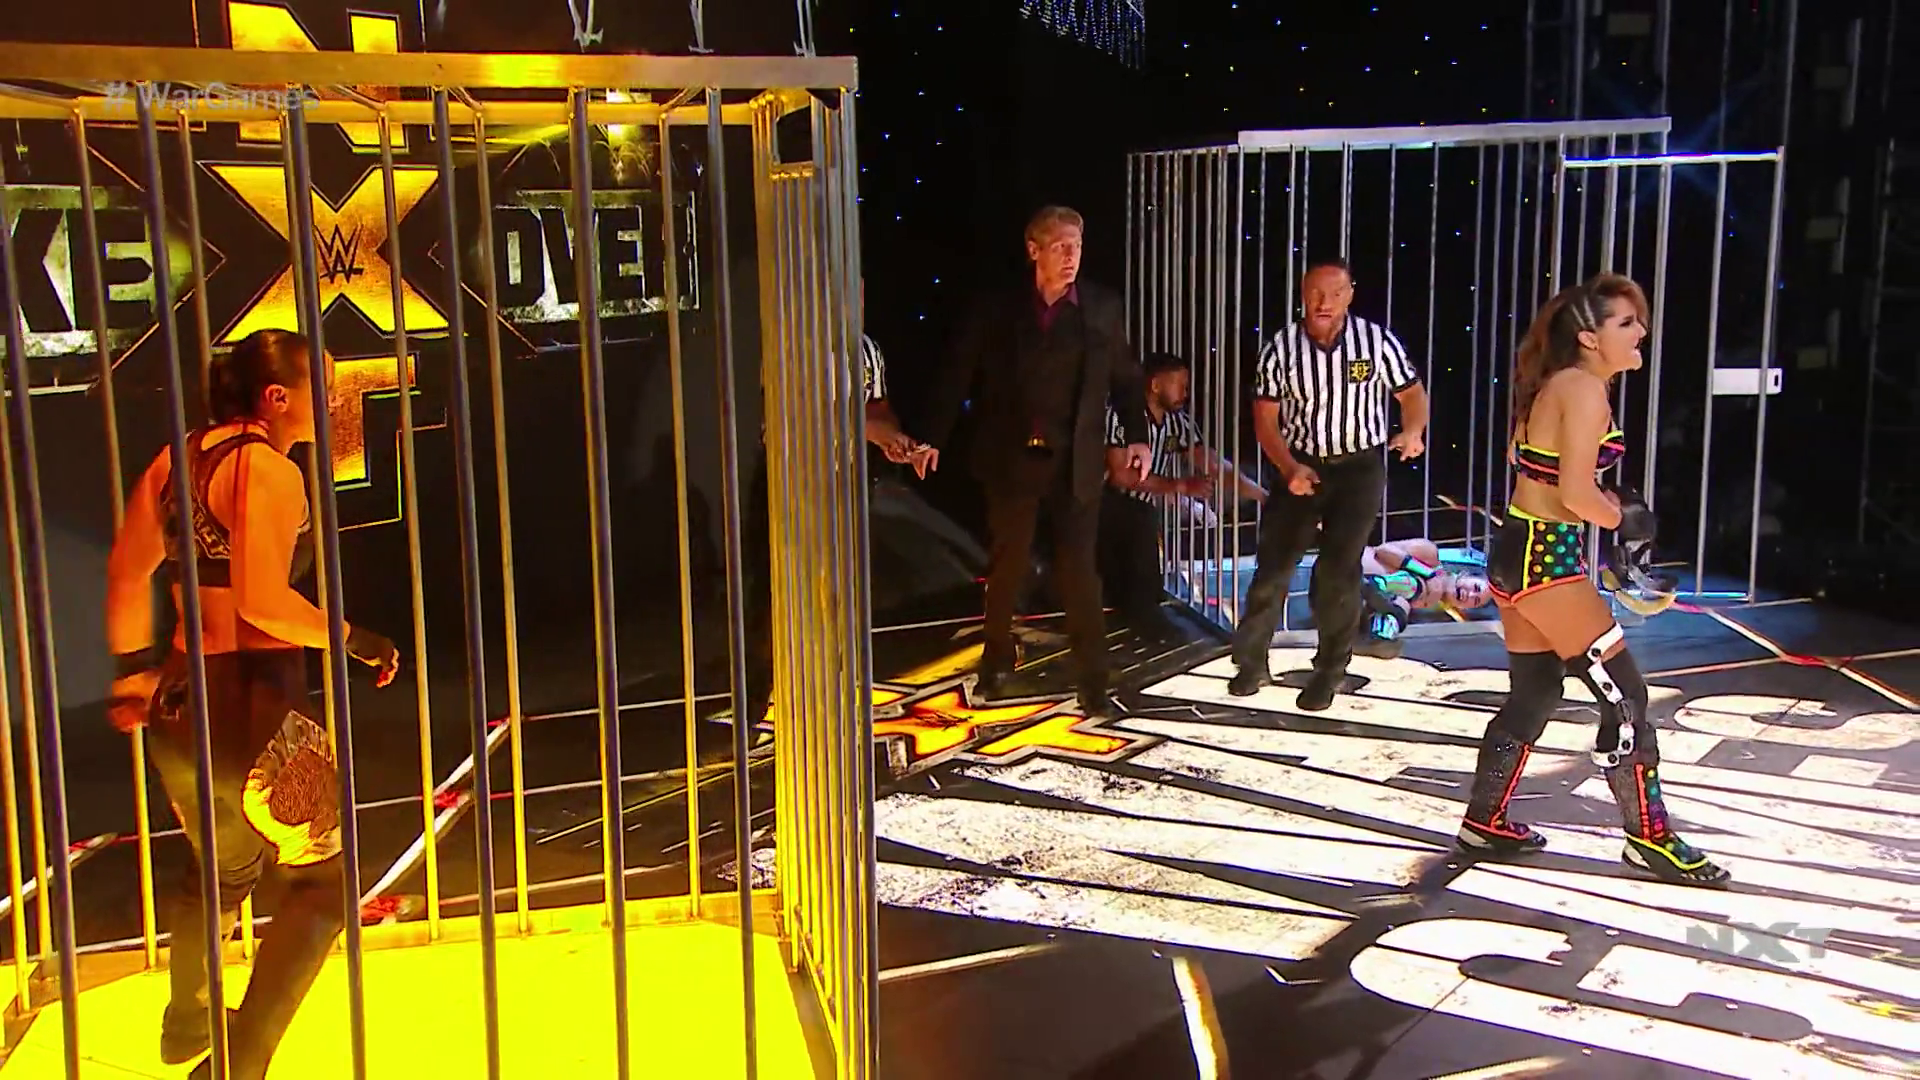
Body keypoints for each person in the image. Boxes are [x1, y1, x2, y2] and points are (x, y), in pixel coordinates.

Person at [104, 329, 401, 1080]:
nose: (332, 401)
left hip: (180, 708)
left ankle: (188, 1021)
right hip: (256, 709)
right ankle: (236, 1068)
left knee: (222, 871)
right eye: (320, 387)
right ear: (277, 397)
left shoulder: (177, 461)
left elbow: (126, 572)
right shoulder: (269, 470)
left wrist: (133, 672)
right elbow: (263, 601)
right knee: (322, 890)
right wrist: (355, 638)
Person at [1455, 274, 1728, 888]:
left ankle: (1483, 821)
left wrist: (1605, 512)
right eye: (1626, 323)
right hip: (1545, 561)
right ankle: (1649, 839)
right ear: (1588, 337)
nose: (1642, 332)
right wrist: (1624, 518)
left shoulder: (1557, 384)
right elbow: (1577, 494)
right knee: (1627, 699)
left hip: (1519, 550)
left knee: (1534, 694)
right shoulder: (1583, 390)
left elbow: (1535, 470)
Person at [923, 205, 1151, 719]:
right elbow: (958, 372)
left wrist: (1137, 436)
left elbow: (1126, 378)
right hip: (1012, 456)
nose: (1071, 256)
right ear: (1034, 250)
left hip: (1075, 459)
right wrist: (932, 437)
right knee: (1008, 563)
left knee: (1079, 571)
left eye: (1077, 246)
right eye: (1060, 246)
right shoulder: (998, 309)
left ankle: (1093, 676)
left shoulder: (1100, 308)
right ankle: (996, 660)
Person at [1228, 257, 1429, 709]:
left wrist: (1413, 430)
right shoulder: (1280, 348)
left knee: (1338, 571)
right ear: (1303, 294)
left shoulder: (1375, 341)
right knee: (1273, 567)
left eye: (1335, 293)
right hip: (1301, 463)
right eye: (1316, 293)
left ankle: (1330, 670)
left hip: (1358, 468)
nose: (1325, 302)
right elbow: (1265, 420)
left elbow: (1412, 393)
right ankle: (1251, 662)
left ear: (1349, 295)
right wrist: (1289, 468)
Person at [739, 284, 936, 726]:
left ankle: (831, 689)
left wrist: (896, 441)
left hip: (841, 480)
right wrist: (870, 430)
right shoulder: (792, 345)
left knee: (841, 591)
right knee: (774, 594)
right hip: (786, 482)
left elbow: (877, 409)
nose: (855, 303)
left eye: (860, 293)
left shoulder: (866, 349)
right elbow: (802, 413)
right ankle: (757, 695)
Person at [1099, 351, 1265, 641]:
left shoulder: (1178, 423)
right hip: (1107, 505)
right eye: (1180, 385)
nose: (1185, 393)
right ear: (1155, 385)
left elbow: (1213, 465)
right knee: (1126, 573)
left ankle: (1142, 625)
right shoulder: (1120, 417)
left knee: (1142, 574)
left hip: (1142, 508)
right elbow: (1120, 475)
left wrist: (1262, 496)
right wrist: (1178, 486)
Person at [1353, 539, 1494, 659]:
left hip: (1358, 601)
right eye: (1476, 588)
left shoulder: (1423, 605)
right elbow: (1383, 550)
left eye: (1475, 601)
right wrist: (1428, 574)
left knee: (1402, 607)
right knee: (1414, 588)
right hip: (1356, 570)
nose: (1470, 595)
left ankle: (1379, 636)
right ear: (1463, 575)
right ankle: (1378, 584)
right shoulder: (1429, 553)